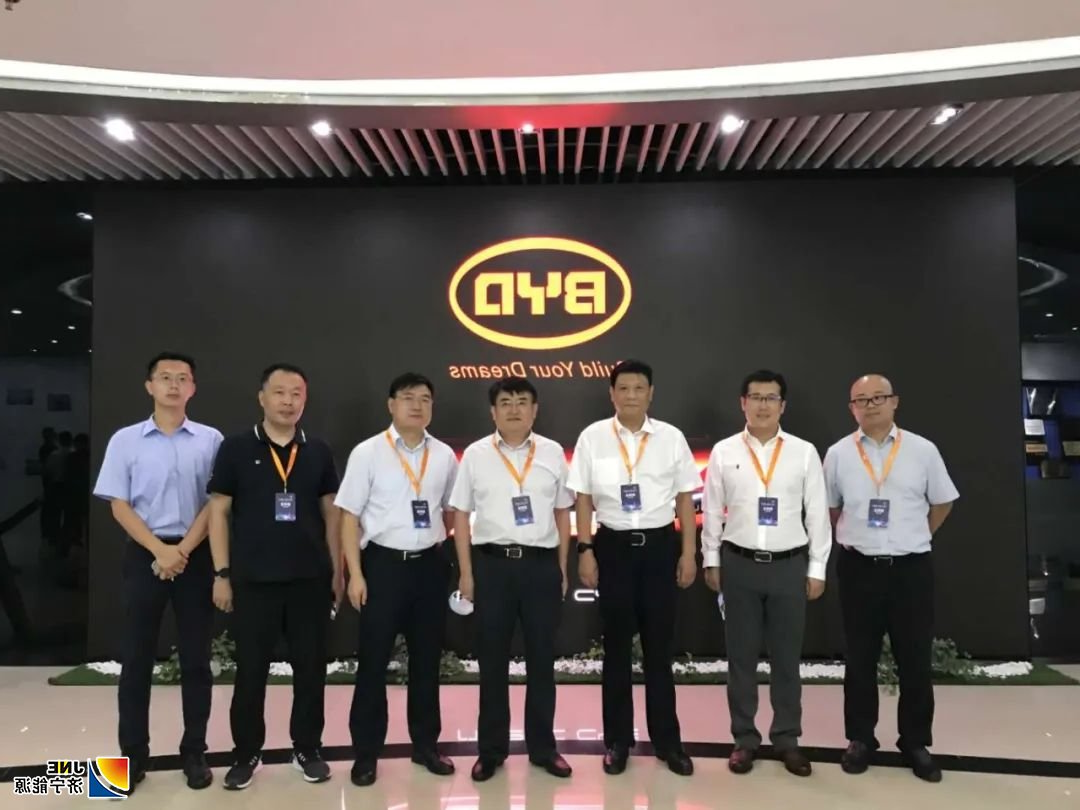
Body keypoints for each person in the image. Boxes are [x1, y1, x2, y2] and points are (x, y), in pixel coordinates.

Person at [208, 363, 342, 791]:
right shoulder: (235, 448)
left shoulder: (317, 450)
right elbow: (218, 512)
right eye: (280, 392)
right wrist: (221, 573)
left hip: (310, 580)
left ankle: (308, 749)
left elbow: (331, 514)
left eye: (296, 393)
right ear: (262, 397)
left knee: (311, 671)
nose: (288, 401)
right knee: (251, 672)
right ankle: (246, 753)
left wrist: (337, 570)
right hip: (253, 580)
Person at [92, 352, 222, 792]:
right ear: (149, 386)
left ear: (193, 388)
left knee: (196, 661)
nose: (173, 384)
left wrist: (181, 550)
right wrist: (159, 550)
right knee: (136, 660)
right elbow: (118, 503)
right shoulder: (125, 440)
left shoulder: (210, 440)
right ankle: (132, 757)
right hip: (144, 555)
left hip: (194, 555)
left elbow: (216, 504)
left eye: (182, 378)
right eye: (164, 377)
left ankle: (195, 752)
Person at [823, 374, 959, 783]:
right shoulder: (838, 454)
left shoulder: (922, 450)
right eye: (861, 400)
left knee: (914, 658)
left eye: (878, 397)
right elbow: (831, 508)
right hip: (859, 567)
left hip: (910, 569)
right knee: (859, 658)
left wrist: (915, 535)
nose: (870, 405)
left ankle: (915, 742)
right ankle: (860, 738)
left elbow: (942, 502)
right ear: (852, 408)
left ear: (894, 402)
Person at [567, 359, 699, 776]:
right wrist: (585, 549)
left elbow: (685, 499)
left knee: (659, 651)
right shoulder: (593, 437)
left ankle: (668, 742)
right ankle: (618, 741)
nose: (630, 395)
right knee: (617, 650)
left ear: (651, 393)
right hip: (613, 548)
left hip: (660, 548)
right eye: (623, 388)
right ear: (612, 393)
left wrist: (688, 553)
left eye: (639, 388)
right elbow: (583, 498)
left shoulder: (671, 438)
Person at [701, 369, 830, 777]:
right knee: (740, 659)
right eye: (755, 397)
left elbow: (818, 514)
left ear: (782, 405)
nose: (762, 405)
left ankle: (787, 739)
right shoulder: (724, 451)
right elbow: (712, 511)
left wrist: (817, 567)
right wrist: (711, 560)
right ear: (743, 403)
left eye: (770, 398)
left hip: (789, 566)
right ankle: (744, 739)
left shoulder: (804, 452)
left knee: (786, 660)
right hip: (738, 564)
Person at [337, 372, 458, 787]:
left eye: (425, 399)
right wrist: (355, 573)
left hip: (429, 567)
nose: (417, 405)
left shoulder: (443, 455)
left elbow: (449, 511)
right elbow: (349, 517)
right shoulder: (368, 452)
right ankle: (366, 753)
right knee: (373, 663)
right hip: (382, 567)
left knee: (427, 662)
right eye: (408, 398)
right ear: (391, 405)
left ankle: (426, 746)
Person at [450, 377, 574, 782]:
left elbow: (562, 513)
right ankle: (490, 751)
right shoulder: (476, 455)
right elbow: (461, 516)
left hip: (540, 567)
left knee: (542, 661)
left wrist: (561, 567)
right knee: (492, 663)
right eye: (506, 402)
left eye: (523, 402)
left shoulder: (552, 452)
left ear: (535, 410)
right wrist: (466, 573)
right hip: (493, 567)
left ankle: (543, 749)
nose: (514, 409)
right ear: (493, 411)